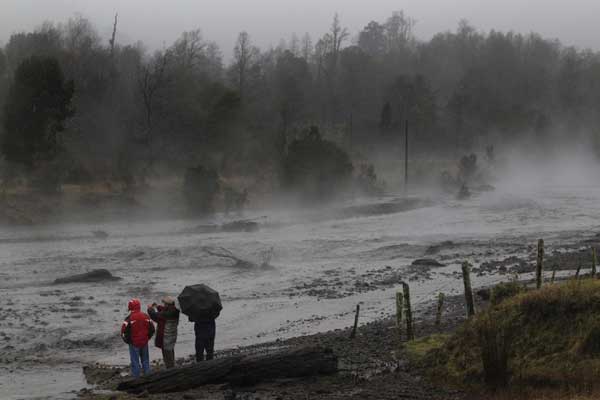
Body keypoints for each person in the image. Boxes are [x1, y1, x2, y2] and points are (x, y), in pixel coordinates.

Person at [121, 298, 155, 378]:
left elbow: (123, 332)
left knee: (135, 362)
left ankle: (136, 379)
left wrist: (129, 341)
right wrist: (147, 338)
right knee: (145, 361)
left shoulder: (129, 319)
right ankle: (148, 377)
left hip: (134, 344)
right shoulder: (146, 316)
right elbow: (152, 329)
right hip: (144, 342)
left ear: (130, 307)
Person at [147, 296, 180, 369]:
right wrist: (157, 306)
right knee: (171, 351)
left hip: (165, 338)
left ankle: (171, 370)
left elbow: (155, 316)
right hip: (172, 336)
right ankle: (172, 367)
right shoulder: (175, 311)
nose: (164, 305)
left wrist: (150, 309)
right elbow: (164, 311)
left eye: (164, 303)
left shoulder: (166, 314)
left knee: (167, 356)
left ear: (168, 304)